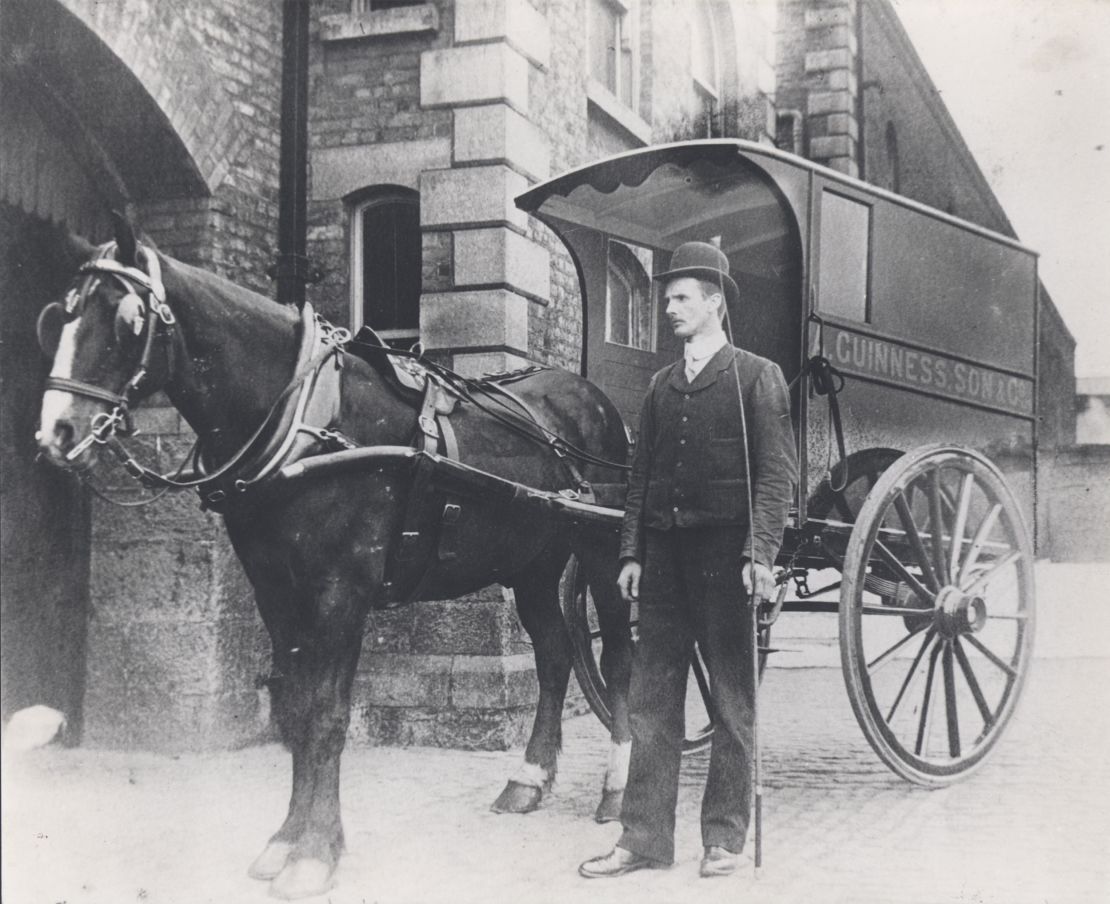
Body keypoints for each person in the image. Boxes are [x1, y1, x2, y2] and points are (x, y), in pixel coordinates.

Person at [579, 241, 798, 879]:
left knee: (731, 701)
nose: (670, 307)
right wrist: (630, 553)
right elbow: (640, 477)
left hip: (726, 561)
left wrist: (759, 553)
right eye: (667, 297)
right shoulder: (660, 384)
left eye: (681, 297)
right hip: (666, 563)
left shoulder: (756, 376)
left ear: (715, 304)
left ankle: (723, 838)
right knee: (652, 701)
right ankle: (643, 839)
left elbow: (775, 476)